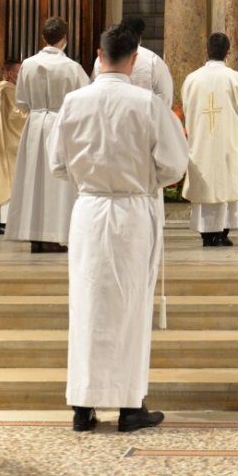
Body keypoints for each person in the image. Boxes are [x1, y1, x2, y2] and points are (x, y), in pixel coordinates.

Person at [50, 24, 188, 433]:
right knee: (130, 307)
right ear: (135, 58)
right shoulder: (145, 103)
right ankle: (130, 408)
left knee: (87, 306)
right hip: (131, 211)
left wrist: (91, 176)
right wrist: (146, 177)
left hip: (90, 210)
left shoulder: (74, 102)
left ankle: (82, 406)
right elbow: (175, 163)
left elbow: (58, 163)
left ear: (98, 53)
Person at [6, 17, 90, 253]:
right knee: (56, 182)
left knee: (33, 179)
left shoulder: (28, 65)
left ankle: (34, 235)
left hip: (35, 124)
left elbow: (21, 101)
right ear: (65, 38)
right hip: (61, 123)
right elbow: (85, 100)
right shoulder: (72, 67)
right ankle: (53, 235)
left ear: (43, 37)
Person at [181, 32, 238, 247]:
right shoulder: (234, 79)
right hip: (227, 142)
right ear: (228, 52)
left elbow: (187, 108)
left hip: (201, 141)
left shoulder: (192, 79)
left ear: (207, 50)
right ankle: (222, 233)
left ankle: (206, 233)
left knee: (206, 181)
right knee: (225, 183)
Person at [0, 61, 27, 235]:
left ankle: (1, 221)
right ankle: (3, 221)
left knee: (6, 178)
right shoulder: (8, 90)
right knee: (9, 179)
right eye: (19, 71)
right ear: (10, 74)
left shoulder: (2, 91)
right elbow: (17, 117)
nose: (22, 75)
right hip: (9, 144)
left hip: (5, 141)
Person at [91, 16, 174, 107]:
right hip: (143, 116)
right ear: (141, 34)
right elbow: (165, 96)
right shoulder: (153, 60)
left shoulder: (102, 58)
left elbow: (93, 86)